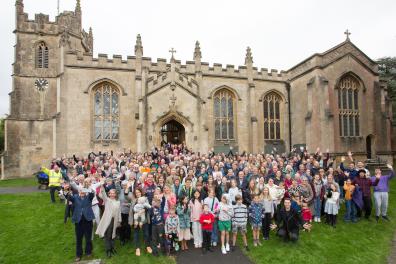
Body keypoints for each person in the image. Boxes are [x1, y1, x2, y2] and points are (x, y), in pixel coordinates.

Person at [95, 181, 121, 258]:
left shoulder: (118, 202)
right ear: (109, 194)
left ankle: (112, 248)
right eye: (111, 193)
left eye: (114, 193)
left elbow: (119, 212)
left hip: (115, 220)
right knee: (108, 235)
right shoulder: (107, 200)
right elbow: (103, 194)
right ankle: (108, 250)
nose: (112, 194)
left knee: (113, 235)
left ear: (116, 194)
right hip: (108, 221)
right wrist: (101, 185)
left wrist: (119, 220)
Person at [70, 188, 95, 262]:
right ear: (78, 191)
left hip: (88, 220)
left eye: (83, 191)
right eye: (81, 191)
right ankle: (78, 255)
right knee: (79, 239)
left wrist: (89, 189)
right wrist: (66, 191)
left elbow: (92, 194)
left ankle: (88, 252)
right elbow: (68, 197)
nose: (82, 192)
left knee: (88, 238)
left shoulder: (89, 197)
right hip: (78, 221)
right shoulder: (75, 197)